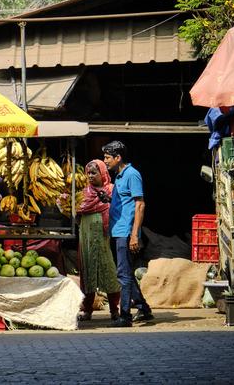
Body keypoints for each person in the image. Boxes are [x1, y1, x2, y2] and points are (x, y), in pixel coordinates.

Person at [102, 140, 153, 327]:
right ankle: (144, 308)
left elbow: (140, 205)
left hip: (125, 232)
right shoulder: (119, 176)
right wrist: (107, 198)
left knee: (123, 275)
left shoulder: (132, 175)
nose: (105, 161)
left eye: (108, 158)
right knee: (125, 273)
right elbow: (124, 203)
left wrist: (134, 235)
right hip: (117, 231)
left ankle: (125, 316)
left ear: (118, 157)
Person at [76, 159, 121, 321]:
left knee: (109, 270)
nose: (90, 176)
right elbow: (77, 215)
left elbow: (119, 209)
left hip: (106, 237)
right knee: (88, 271)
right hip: (87, 237)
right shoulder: (83, 193)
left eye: (94, 172)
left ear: (103, 173)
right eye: (88, 173)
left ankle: (114, 310)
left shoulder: (112, 190)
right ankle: (87, 310)